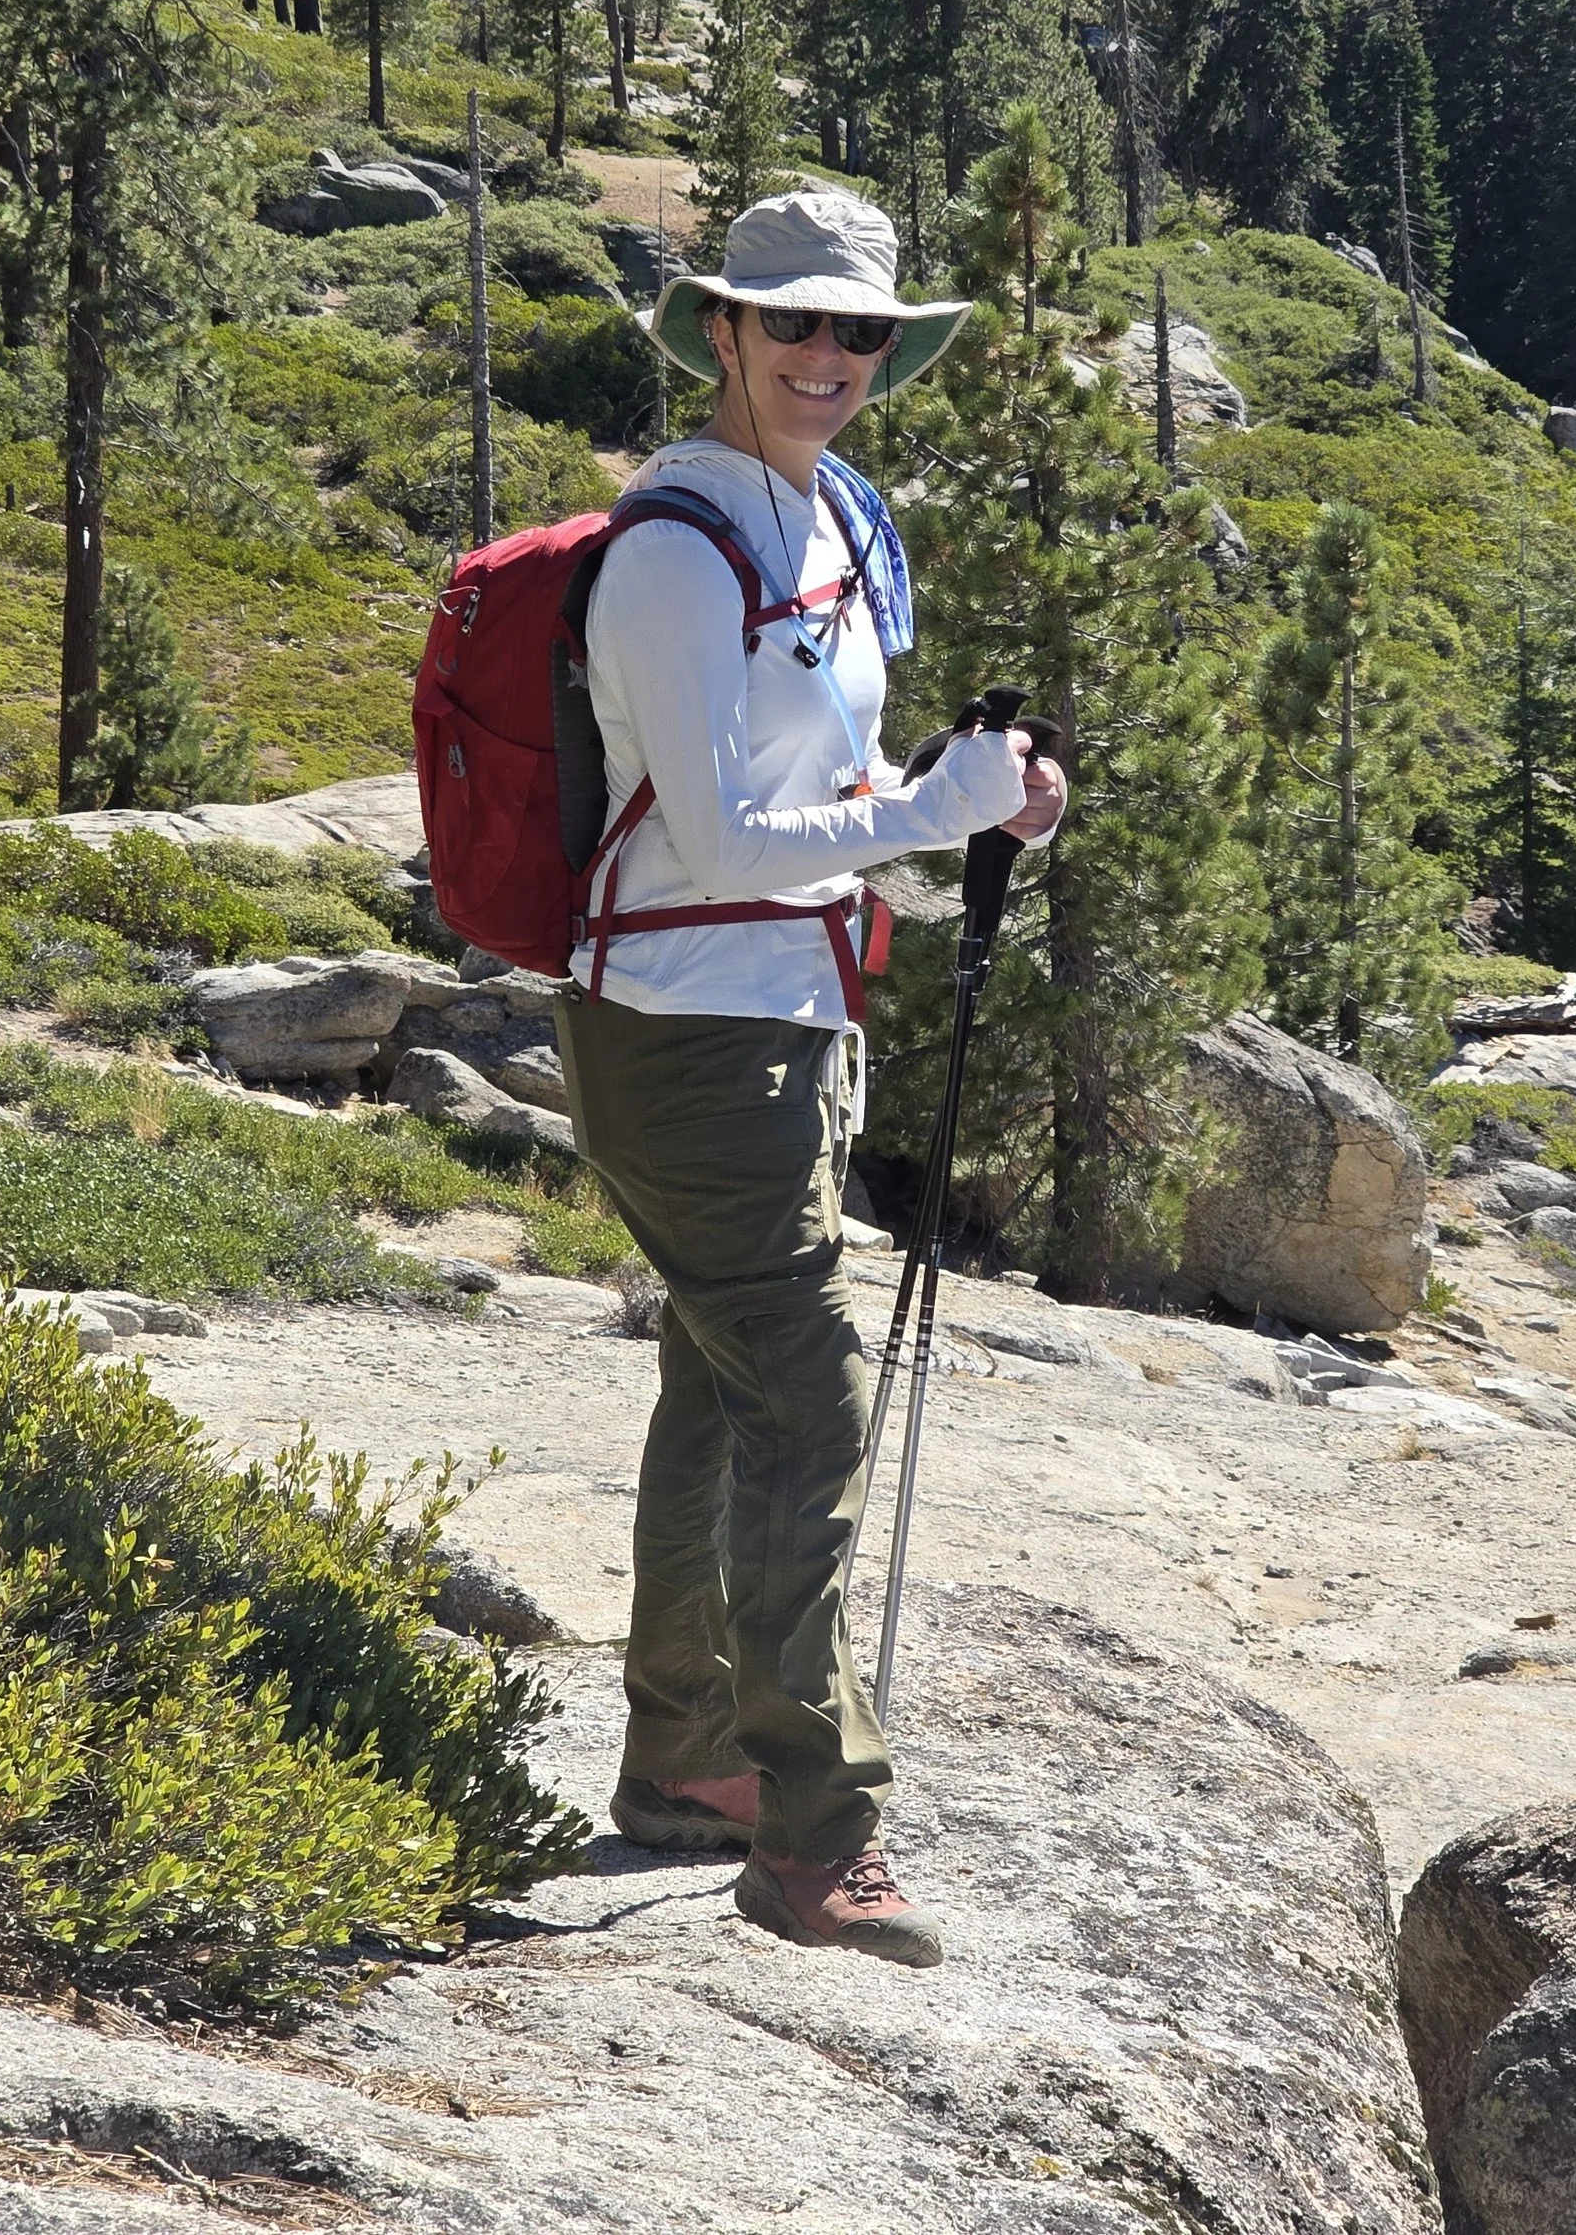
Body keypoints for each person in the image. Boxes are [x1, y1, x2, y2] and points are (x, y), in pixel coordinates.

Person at [553, 187, 1065, 1969]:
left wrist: (964, 806)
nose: (829, 360)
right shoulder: (681, 552)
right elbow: (711, 835)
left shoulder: (834, 518)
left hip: (789, 1019)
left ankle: (688, 1764)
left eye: (858, 332)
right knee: (803, 1401)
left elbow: (824, 804)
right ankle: (813, 1834)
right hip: (683, 1030)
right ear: (721, 333)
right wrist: (935, 813)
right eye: (794, 327)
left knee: (722, 1385)